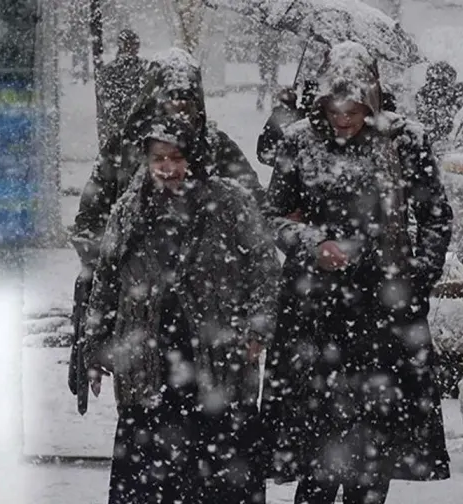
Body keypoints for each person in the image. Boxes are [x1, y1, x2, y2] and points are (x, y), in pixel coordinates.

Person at [262, 41, 453, 504]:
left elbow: (435, 217)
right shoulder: (300, 141)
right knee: (316, 451)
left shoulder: (404, 139)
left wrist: (415, 281)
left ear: (371, 99)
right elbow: (271, 216)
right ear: (322, 100)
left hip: (384, 313)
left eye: (353, 108)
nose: (343, 118)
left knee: (374, 452)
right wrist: (313, 243)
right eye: (334, 107)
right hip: (314, 310)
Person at [82, 116, 279, 503]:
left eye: (177, 157)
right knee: (150, 477)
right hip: (147, 359)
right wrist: (94, 345)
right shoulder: (129, 210)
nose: (168, 168)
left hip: (218, 357)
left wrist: (258, 325)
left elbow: (264, 264)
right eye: (159, 158)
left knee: (219, 472)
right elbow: (105, 280)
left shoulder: (229, 201)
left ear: (196, 157)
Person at [69, 47, 265, 409]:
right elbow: (90, 222)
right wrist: (119, 264)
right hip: (144, 318)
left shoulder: (218, 148)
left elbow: (257, 218)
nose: (180, 110)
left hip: (211, 318)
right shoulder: (125, 148)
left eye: (188, 102)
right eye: (171, 100)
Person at [98, 29, 148, 141]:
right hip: (125, 128)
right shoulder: (110, 70)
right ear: (122, 45)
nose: (134, 48)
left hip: (133, 127)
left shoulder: (144, 67)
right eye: (131, 44)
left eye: (136, 44)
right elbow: (107, 102)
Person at [416, 61, 463, 150]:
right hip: (434, 143)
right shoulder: (423, 95)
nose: (439, 89)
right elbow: (425, 122)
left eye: (444, 84)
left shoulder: (454, 94)